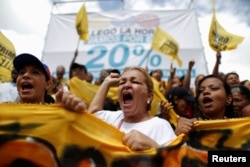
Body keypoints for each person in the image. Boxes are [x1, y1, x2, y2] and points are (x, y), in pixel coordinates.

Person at [88, 66, 177, 151]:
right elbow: (90, 117)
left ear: (149, 97)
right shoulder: (113, 117)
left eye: (135, 82)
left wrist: (153, 147)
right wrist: (106, 83)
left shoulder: (160, 126)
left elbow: (175, 162)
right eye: (122, 83)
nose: (126, 85)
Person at [12, 53, 87, 112]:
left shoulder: (59, 113)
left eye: (35, 72)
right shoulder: (4, 111)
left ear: (48, 84)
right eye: (21, 72)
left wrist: (67, 113)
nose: (25, 75)